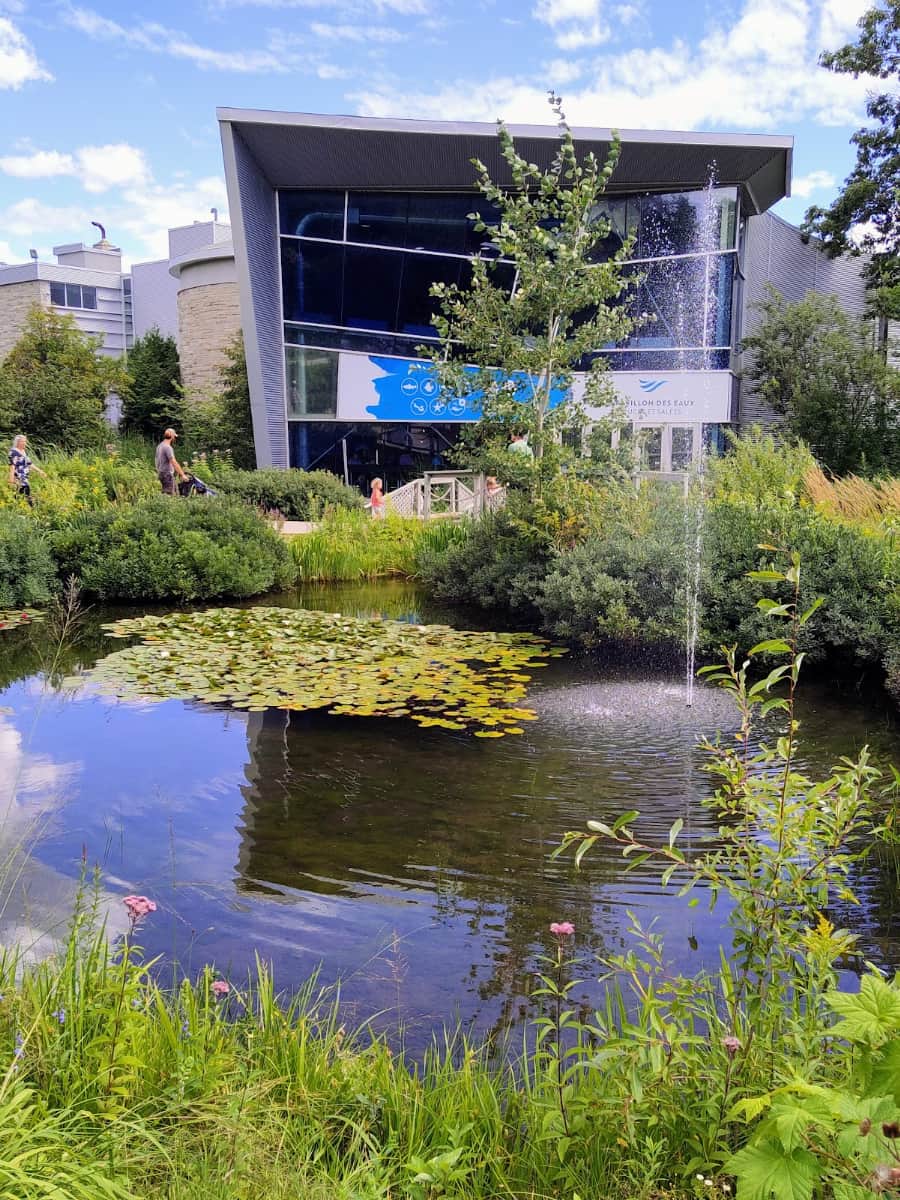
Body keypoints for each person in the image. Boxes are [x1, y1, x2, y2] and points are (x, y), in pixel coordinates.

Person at [7, 434, 45, 506]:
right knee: (23, 495)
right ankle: (29, 511)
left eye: (25, 441)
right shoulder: (14, 452)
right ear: (18, 442)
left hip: (24, 477)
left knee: (22, 495)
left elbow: (29, 464)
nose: (25, 443)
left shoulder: (23, 451)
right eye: (23, 441)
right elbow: (12, 466)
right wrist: (11, 479)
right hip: (18, 477)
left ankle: (24, 510)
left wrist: (40, 471)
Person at [155, 428, 188, 495]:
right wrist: (182, 474)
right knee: (169, 495)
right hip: (167, 475)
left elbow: (156, 459)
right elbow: (173, 462)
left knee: (168, 493)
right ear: (172, 436)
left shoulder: (159, 446)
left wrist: (158, 471)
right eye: (174, 437)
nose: (174, 439)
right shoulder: (168, 447)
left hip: (161, 473)